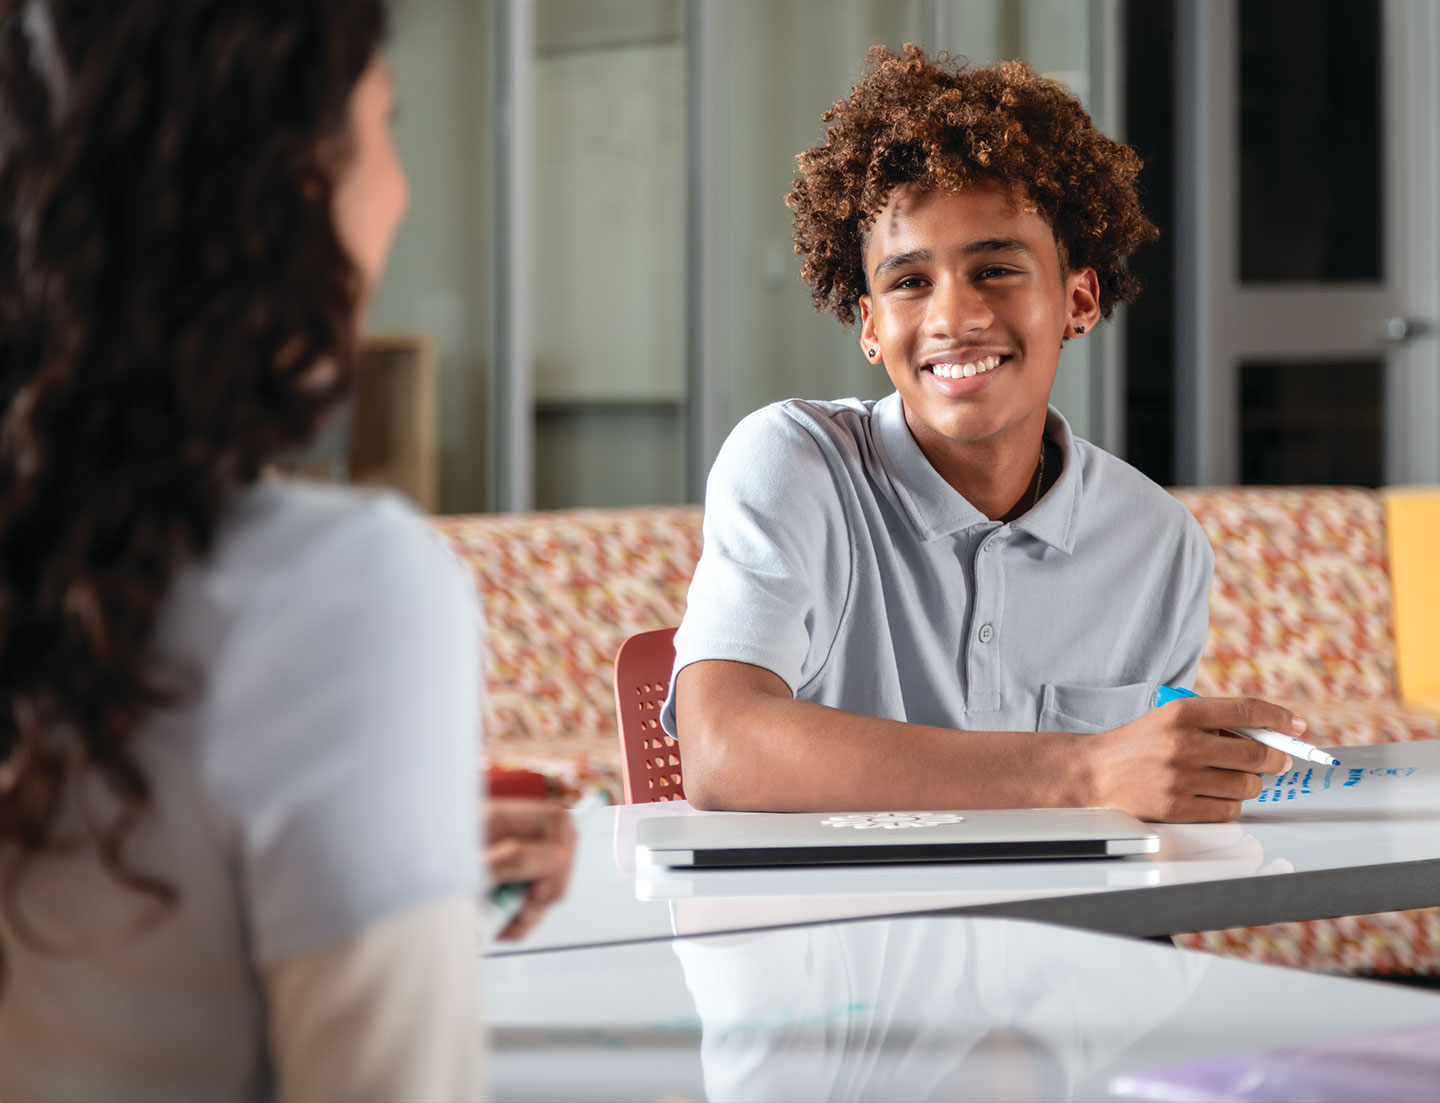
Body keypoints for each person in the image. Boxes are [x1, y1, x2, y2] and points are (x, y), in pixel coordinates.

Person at [0, 2, 569, 1098]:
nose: (401, 191)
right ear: (287, 189)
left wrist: (369, 821)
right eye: (385, 127)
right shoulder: (336, 590)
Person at [663, 46, 1303, 824]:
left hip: (1055, 938)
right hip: (830, 937)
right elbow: (723, 749)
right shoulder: (795, 462)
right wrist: (1086, 768)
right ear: (870, 327)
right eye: (908, 282)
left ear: (1078, 300)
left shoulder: (1157, 543)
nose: (953, 318)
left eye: (995, 269)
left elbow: (1143, 817)